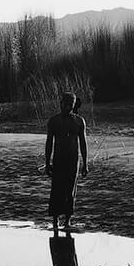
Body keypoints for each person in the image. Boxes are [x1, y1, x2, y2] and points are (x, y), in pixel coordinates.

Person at [44, 92, 88, 235]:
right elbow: (49, 142)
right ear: (60, 103)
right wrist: (47, 163)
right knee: (56, 190)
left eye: (69, 105)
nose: (65, 107)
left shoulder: (79, 121)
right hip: (58, 160)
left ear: (73, 106)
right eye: (63, 104)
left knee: (70, 190)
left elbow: (83, 144)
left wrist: (85, 164)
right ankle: (55, 222)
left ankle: (68, 221)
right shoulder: (54, 121)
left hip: (73, 161)